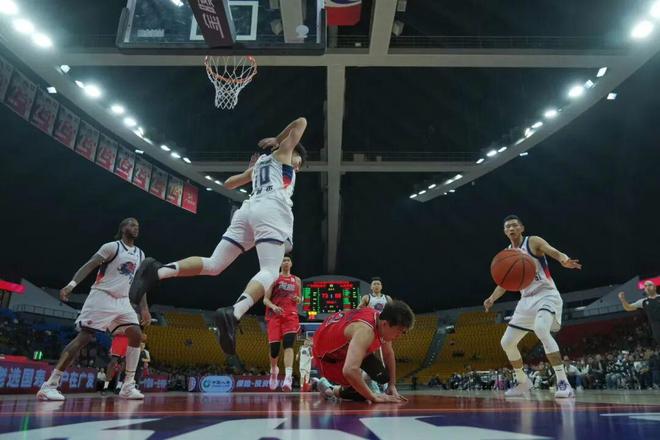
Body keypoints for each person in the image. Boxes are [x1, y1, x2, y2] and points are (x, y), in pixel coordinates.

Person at [129, 118, 308, 356]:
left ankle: (158, 271)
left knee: (214, 264)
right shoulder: (283, 153)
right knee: (270, 271)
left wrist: (250, 171)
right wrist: (278, 139)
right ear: (290, 149)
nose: (298, 166)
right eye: (299, 161)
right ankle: (234, 313)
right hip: (271, 208)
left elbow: (230, 184)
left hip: (249, 209)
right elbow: (301, 122)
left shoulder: (261, 164)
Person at [37, 218, 150, 400]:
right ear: (123, 228)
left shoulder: (140, 254)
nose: (136, 228)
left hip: (123, 301)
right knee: (84, 337)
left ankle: (128, 386)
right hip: (102, 296)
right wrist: (71, 285)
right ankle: (50, 385)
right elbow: (90, 265)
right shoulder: (112, 247)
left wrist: (144, 308)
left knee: (136, 334)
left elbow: (139, 283)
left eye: (137, 225)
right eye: (131, 225)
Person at [483, 215, 581, 399]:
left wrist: (564, 259)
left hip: (546, 294)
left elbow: (552, 251)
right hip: (526, 300)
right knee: (506, 342)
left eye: (514, 225)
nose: (511, 228)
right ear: (504, 231)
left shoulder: (532, 241)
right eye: (508, 227)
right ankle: (523, 382)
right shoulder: (507, 254)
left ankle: (563, 383)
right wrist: (492, 298)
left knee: (541, 328)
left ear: (521, 228)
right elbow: (504, 283)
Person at [313, 300, 414, 402]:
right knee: (360, 394)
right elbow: (349, 370)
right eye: (399, 332)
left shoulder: (382, 319)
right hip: (327, 357)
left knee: (384, 377)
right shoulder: (365, 331)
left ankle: (364, 378)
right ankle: (328, 389)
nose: (399, 336)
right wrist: (373, 397)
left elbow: (388, 354)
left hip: (346, 342)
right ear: (385, 324)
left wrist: (392, 385)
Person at [263, 255, 302, 391]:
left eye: (288, 260)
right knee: (274, 350)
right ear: (280, 264)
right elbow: (265, 299)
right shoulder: (274, 278)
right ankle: (274, 370)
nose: (286, 262)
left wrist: (298, 299)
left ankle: (288, 377)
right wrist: (273, 307)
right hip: (275, 316)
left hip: (290, 316)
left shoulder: (297, 280)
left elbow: (299, 299)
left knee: (288, 345)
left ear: (291, 263)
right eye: (284, 260)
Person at [618, 280, 660, 346]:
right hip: (655, 326)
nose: (648, 287)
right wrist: (623, 300)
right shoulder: (643, 301)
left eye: (650, 285)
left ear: (655, 287)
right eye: (645, 286)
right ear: (644, 289)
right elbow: (628, 307)